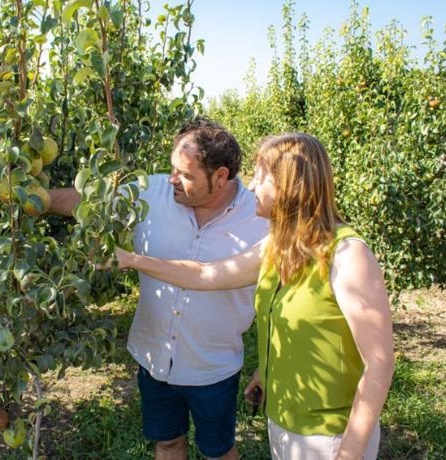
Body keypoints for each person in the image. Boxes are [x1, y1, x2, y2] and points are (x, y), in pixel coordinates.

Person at [114, 132, 395, 460]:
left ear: (290, 185)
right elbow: (207, 275)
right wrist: (133, 260)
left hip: (329, 434)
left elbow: (380, 363)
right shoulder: (281, 246)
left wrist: (348, 454)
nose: (250, 186)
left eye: (261, 177)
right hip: (285, 424)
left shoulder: (347, 254)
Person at [49, 117, 269, 459]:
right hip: (154, 358)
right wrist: (35, 199)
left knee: (218, 451)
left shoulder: (259, 218)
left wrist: (266, 366)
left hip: (212, 364)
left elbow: (280, 301)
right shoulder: (153, 192)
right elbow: (89, 200)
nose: (172, 180)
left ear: (221, 176)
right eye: (172, 168)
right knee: (167, 443)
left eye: (185, 174)